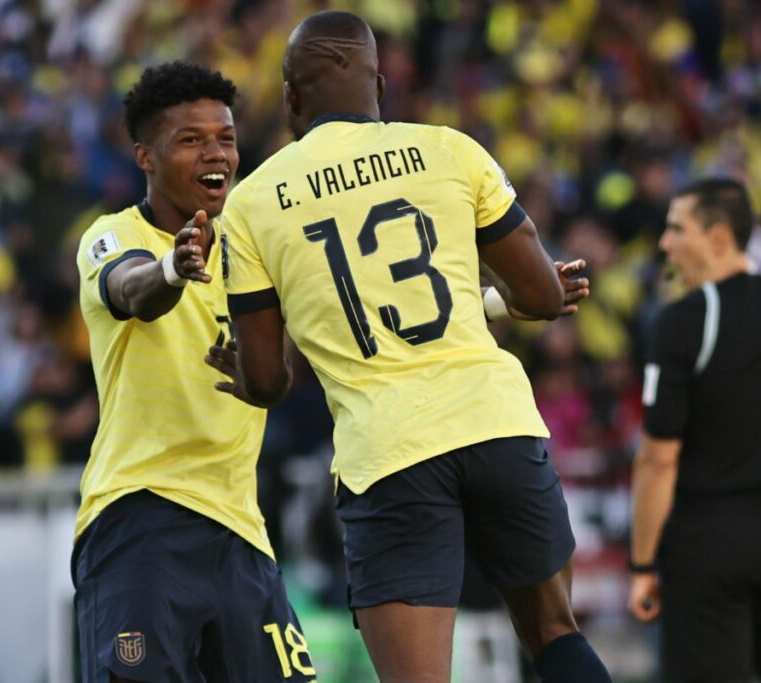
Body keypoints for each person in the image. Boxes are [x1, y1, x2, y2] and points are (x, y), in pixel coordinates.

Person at [216, 10, 611, 683]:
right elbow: (545, 297)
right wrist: (504, 298)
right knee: (553, 633)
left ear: (289, 97)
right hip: (497, 423)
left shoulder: (253, 203)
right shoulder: (449, 149)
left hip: (389, 450)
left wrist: (250, 375)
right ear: (380, 87)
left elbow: (265, 378)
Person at [70, 62, 317, 683]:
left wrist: (498, 303)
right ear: (145, 157)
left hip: (241, 528)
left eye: (226, 138)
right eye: (191, 140)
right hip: (140, 517)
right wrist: (176, 269)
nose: (216, 154)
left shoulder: (255, 249)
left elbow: (343, 320)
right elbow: (132, 288)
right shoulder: (111, 236)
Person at [627, 177, 761, 682]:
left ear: (719, 239)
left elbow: (658, 459)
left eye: (676, 229)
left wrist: (642, 565)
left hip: (707, 543)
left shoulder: (682, 321)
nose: (665, 244)